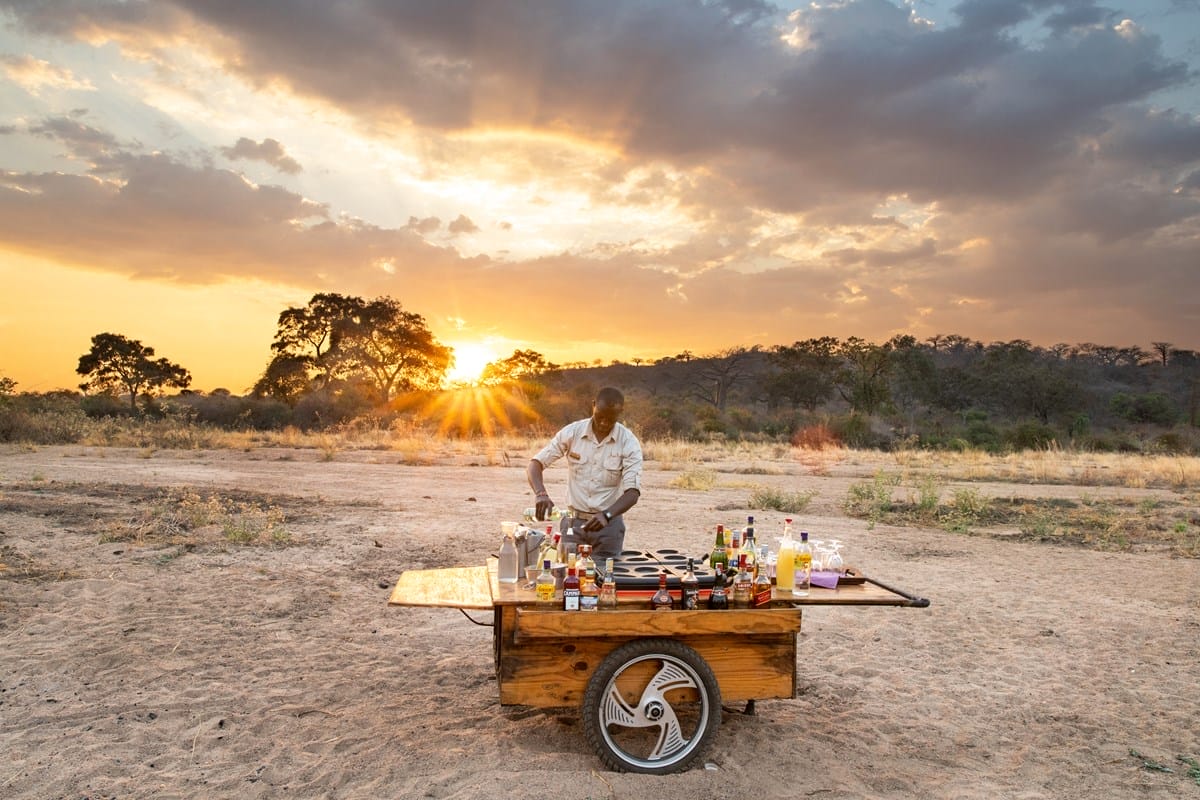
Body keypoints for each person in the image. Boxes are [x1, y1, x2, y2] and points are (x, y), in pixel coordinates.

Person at [527, 386, 642, 564]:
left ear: (621, 412)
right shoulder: (572, 432)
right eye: (600, 416)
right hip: (572, 524)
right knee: (567, 577)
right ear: (593, 405)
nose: (604, 423)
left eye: (610, 419)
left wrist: (607, 515)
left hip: (608, 527)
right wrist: (540, 494)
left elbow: (632, 493)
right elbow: (536, 464)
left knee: (605, 580)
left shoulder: (628, 442)